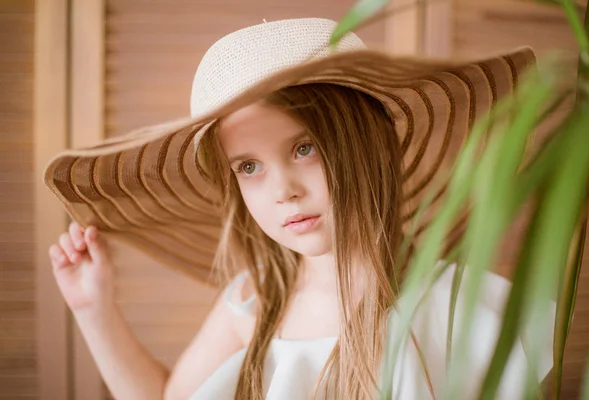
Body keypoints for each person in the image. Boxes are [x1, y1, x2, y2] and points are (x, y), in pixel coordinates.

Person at [45, 18, 554, 400]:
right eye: (248, 167)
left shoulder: (457, 304)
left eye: (304, 148)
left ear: (364, 146)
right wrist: (95, 311)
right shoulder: (256, 301)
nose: (282, 190)